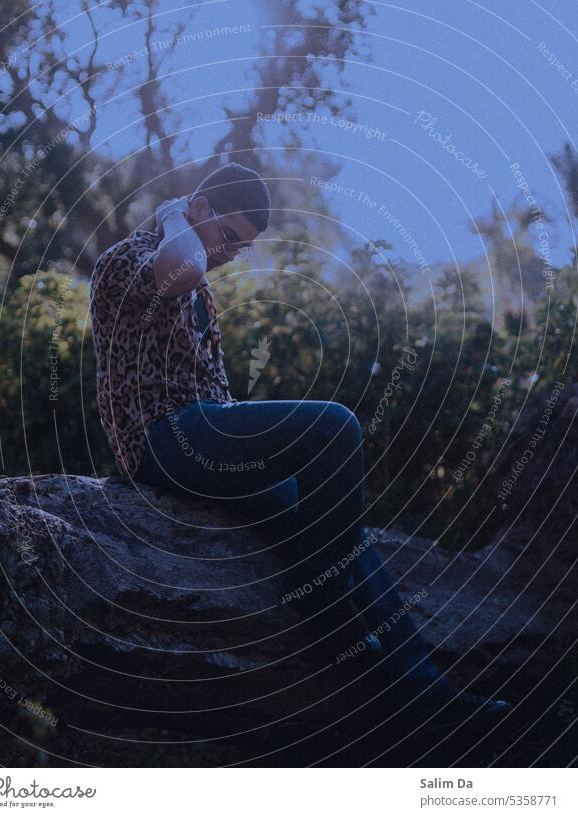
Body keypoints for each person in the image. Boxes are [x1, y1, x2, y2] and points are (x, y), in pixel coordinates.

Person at [89, 161, 512, 749]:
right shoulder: (125, 263)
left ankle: (427, 695)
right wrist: (169, 214)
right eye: (227, 236)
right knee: (335, 427)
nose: (231, 253)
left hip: (206, 437)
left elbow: (213, 389)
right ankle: (328, 623)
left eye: (244, 246)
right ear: (200, 210)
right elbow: (177, 268)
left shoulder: (200, 290)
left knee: (341, 536)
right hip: (161, 442)